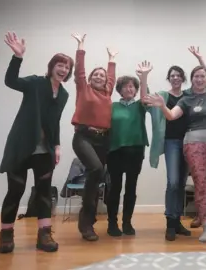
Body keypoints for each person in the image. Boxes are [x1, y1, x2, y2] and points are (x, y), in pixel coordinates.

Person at [143, 67, 206, 244]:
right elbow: (171, 116)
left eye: (202, 76)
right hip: (193, 144)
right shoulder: (186, 100)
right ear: (192, 80)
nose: (200, 79)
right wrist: (163, 106)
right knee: (200, 185)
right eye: (196, 76)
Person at [0, 32, 73, 253]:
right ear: (52, 67)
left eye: (67, 67)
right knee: (15, 190)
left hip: (44, 151)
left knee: (43, 192)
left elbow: (55, 122)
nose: (63, 69)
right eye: (60, 64)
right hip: (21, 146)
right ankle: (6, 235)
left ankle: (44, 235)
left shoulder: (64, 94)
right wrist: (17, 57)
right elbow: (10, 81)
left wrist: (57, 146)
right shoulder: (34, 83)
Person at [146, 46, 206, 241]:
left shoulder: (190, 95)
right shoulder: (162, 97)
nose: (175, 78)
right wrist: (143, 78)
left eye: (178, 75)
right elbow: (145, 99)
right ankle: (170, 222)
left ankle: (177, 221)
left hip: (190, 142)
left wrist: (200, 58)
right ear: (169, 78)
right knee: (173, 182)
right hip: (172, 143)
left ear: (183, 79)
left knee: (182, 183)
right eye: (172, 75)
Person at [70, 33, 117, 241]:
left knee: (95, 178)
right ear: (89, 79)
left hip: (103, 139)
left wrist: (112, 60)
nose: (99, 77)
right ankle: (86, 222)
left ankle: (87, 219)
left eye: (102, 75)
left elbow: (112, 77)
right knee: (96, 169)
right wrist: (81, 46)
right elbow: (79, 71)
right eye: (95, 75)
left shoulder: (107, 94)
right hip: (83, 137)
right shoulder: (83, 89)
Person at [105, 61, 152, 237]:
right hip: (115, 151)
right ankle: (112, 224)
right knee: (115, 188)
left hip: (135, 151)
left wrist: (144, 76)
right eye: (126, 87)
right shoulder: (112, 107)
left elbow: (146, 96)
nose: (129, 89)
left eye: (132, 87)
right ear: (120, 90)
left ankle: (127, 223)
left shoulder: (140, 105)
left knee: (131, 188)